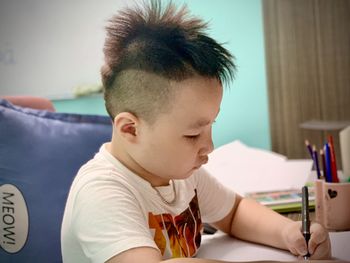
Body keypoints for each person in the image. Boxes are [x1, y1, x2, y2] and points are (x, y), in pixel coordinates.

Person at [61, 1, 331, 262]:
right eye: (192, 135)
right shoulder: (101, 193)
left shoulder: (179, 174)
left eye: (210, 126)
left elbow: (234, 213)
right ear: (131, 129)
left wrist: (288, 232)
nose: (209, 146)